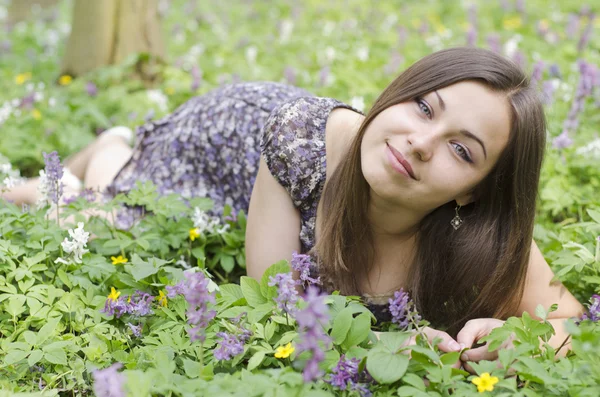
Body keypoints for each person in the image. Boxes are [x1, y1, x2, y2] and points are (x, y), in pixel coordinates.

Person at [1, 47, 583, 366]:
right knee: (110, 216)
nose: (420, 142)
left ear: (475, 189)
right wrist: (390, 349)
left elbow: (572, 319)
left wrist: (517, 340)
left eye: (461, 149)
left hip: (264, 154)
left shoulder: (487, 234)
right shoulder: (298, 141)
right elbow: (270, 306)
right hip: (225, 142)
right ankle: (109, 151)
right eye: (424, 108)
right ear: (398, 95)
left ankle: (104, 160)